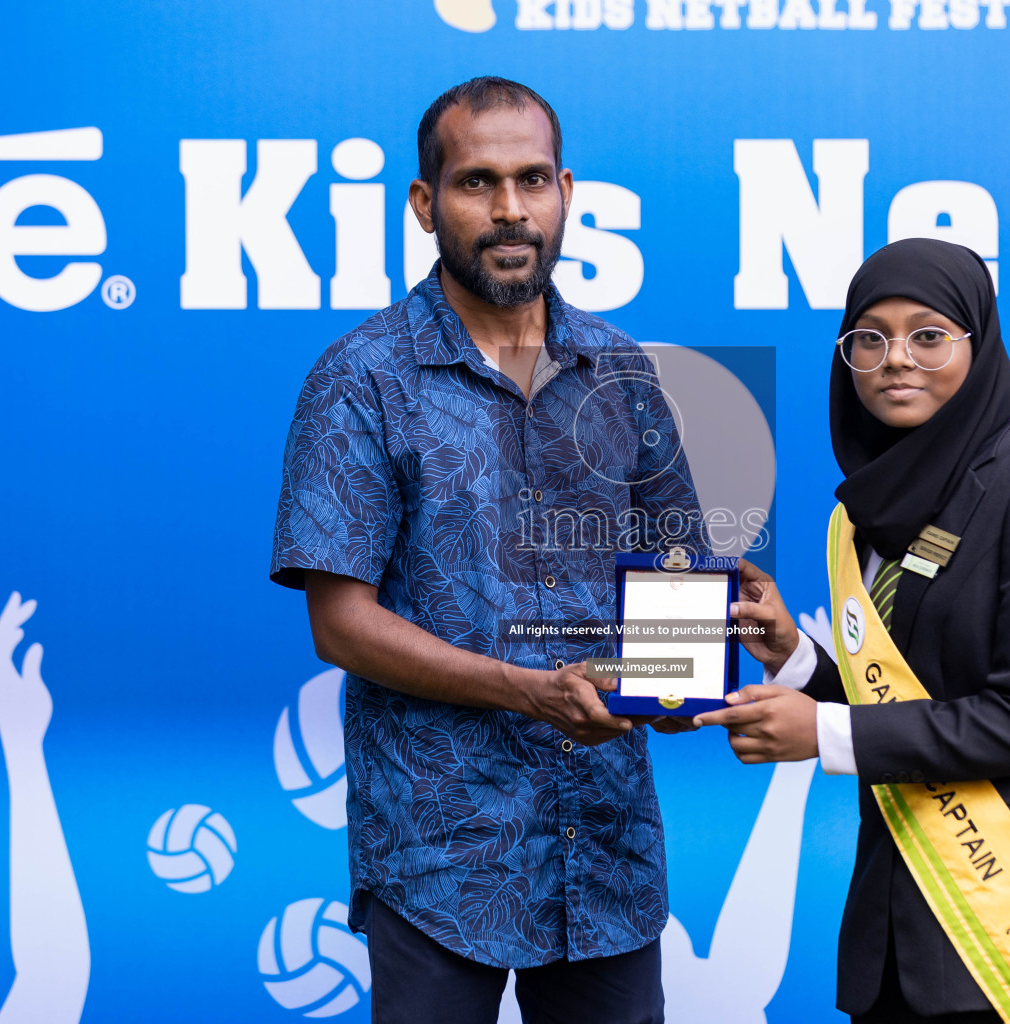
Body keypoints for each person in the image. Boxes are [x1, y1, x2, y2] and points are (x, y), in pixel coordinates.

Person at [269, 77, 706, 1024]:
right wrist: (528, 689)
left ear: (566, 192)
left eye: (532, 180)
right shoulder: (362, 379)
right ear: (426, 204)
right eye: (477, 183)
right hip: (439, 860)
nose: (511, 209)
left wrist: (686, 680)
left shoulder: (625, 375)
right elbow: (340, 626)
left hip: (607, 855)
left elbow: (677, 610)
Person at [695, 238, 1010, 1023]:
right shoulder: (863, 513)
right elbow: (907, 698)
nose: (895, 359)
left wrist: (825, 732)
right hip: (895, 942)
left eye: (928, 335)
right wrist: (796, 658)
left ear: (978, 342)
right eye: (868, 338)